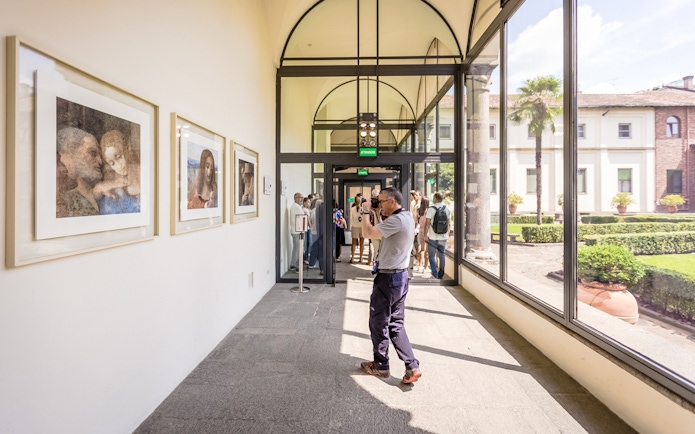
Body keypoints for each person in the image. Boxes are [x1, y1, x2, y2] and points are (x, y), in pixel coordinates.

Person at [359, 187, 422, 384]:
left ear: (392, 202)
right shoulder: (406, 217)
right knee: (396, 323)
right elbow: (381, 233)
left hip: (388, 278)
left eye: (381, 201)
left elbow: (369, 233)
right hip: (401, 276)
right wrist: (377, 213)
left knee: (378, 322)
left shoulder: (396, 220)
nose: (378, 203)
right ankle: (412, 366)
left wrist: (365, 212)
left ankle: (381, 365)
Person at [56, 127, 104, 217]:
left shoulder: (93, 190)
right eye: (93, 153)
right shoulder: (60, 189)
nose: (100, 161)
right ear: (71, 149)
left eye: (100, 156)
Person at [93, 129, 141, 214]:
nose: (119, 165)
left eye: (119, 157)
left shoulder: (142, 171)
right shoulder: (112, 181)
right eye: (112, 163)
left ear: (127, 149)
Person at [425, 191, 451, 279]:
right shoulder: (446, 209)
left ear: (435, 198)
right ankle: (441, 273)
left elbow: (427, 223)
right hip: (443, 237)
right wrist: (447, 234)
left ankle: (434, 273)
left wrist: (425, 234)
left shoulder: (431, 209)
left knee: (432, 256)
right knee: (442, 255)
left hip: (433, 237)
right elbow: (449, 224)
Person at [365, 188, 382, 266]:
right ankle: (374, 263)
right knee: (375, 250)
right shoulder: (371, 209)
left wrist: (379, 210)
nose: (375, 201)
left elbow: (382, 223)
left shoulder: (383, 206)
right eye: (374, 198)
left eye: (377, 198)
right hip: (373, 230)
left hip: (383, 232)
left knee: (382, 250)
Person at [289, 192, 304, 271]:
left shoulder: (297, 206)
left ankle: (293, 264)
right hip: (297, 231)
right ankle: (296, 265)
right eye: (299, 197)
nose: (301, 199)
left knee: (296, 248)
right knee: (299, 249)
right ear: (295, 198)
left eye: (302, 197)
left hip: (296, 231)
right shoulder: (295, 207)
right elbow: (300, 218)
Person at [414, 197, 430, 273]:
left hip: (420, 230)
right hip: (426, 231)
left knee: (421, 248)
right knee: (426, 250)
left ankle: (420, 264)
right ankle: (425, 267)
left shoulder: (419, 211)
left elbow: (417, 221)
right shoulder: (428, 211)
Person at [349, 193, 366, 263]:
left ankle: (352, 258)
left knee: (353, 243)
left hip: (354, 227)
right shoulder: (363, 209)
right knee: (362, 243)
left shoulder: (352, 209)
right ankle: (361, 257)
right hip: (362, 227)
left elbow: (350, 218)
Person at [302, 197, 312, 264]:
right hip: (307, 228)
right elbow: (308, 219)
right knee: (308, 243)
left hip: (305, 228)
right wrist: (311, 226)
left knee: (307, 243)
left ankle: (305, 256)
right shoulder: (306, 210)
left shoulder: (303, 209)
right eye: (308, 202)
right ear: (304, 202)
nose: (309, 203)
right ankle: (305, 257)